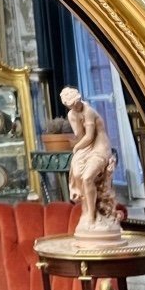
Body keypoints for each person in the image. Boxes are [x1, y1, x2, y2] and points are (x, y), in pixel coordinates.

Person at [60, 86, 121, 240]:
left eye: (77, 101)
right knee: (77, 172)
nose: (76, 105)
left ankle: (92, 217)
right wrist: (74, 121)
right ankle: (87, 211)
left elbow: (88, 137)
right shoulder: (72, 114)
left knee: (87, 177)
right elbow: (80, 135)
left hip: (100, 147)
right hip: (86, 147)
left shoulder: (89, 112)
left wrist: (76, 148)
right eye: (72, 104)